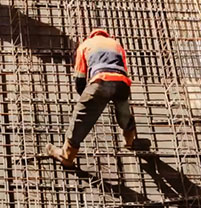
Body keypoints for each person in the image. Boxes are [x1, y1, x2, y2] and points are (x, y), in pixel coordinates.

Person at [49, 29, 140, 167]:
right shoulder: (116, 45)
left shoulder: (86, 45)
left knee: (80, 117)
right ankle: (130, 141)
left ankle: (67, 155)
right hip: (122, 82)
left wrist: (87, 99)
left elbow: (80, 78)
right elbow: (124, 69)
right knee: (123, 109)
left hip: (100, 81)